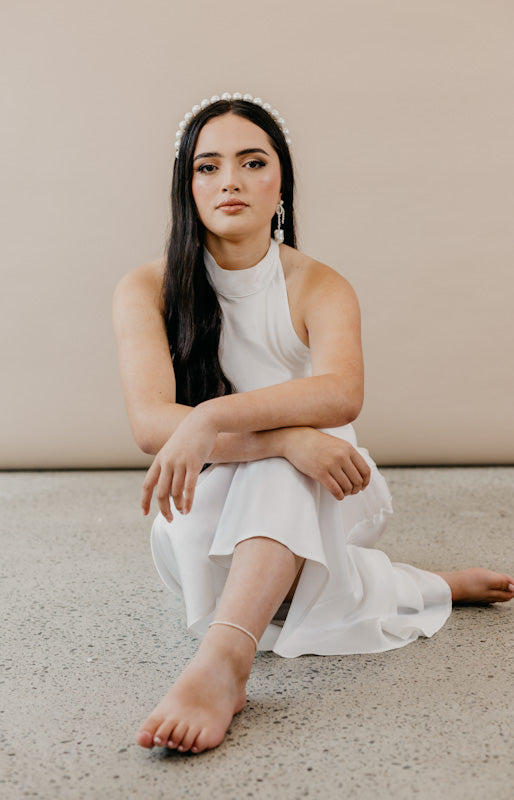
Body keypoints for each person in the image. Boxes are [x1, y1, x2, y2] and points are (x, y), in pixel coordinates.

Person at [113, 93, 514, 756]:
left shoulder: (319, 284)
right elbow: (153, 425)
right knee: (280, 469)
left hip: (330, 486)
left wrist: (212, 415)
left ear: (282, 183)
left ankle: (222, 665)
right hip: (205, 506)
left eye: (252, 162)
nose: (230, 181)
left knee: (283, 474)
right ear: (186, 186)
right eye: (208, 167)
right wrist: (287, 439)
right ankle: (429, 583)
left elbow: (341, 396)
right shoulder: (145, 288)